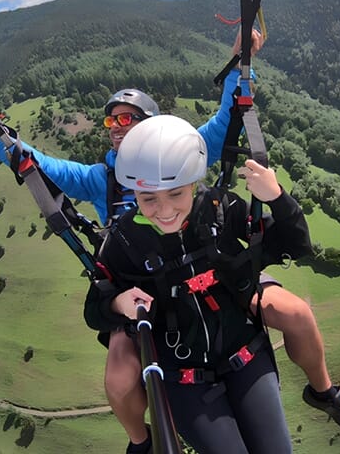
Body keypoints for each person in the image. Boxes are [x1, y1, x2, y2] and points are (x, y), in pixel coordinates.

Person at [0, 30, 340, 452]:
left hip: (212, 271)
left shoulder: (184, 152)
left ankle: (325, 390)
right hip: (142, 285)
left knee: (294, 312)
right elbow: (41, 167)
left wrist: (241, 60)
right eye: (112, 120)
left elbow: (229, 118)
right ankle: (142, 440)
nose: (118, 127)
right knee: (120, 379)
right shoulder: (103, 180)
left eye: (129, 119)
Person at [85, 115, 309, 453]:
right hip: (183, 379)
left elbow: (296, 245)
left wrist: (277, 198)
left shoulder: (220, 209)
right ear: (134, 194)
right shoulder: (124, 241)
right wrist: (118, 304)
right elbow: (94, 310)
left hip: (246, 356)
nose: (164, 210)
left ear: (193, 183)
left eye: (175, 193)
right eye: (149, 199)